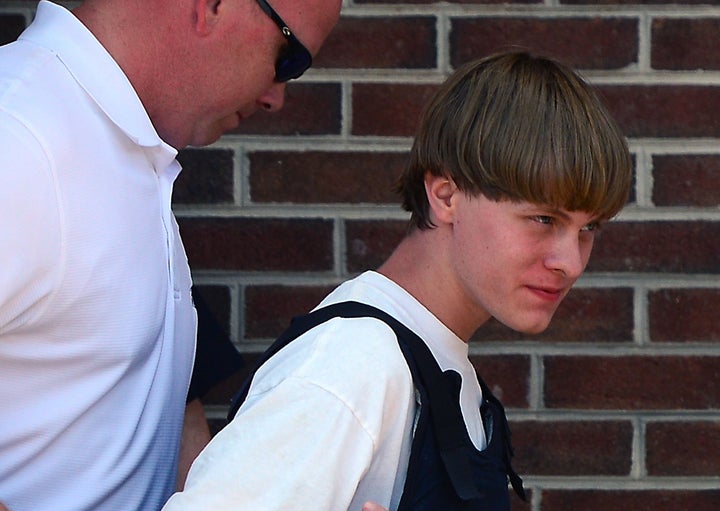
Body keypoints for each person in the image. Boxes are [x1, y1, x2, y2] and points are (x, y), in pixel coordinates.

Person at [160, 51, 633, 511]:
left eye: (588, 228)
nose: (570, 262)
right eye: (544, 219)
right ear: (446, 195)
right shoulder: (351, 368)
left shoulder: (430, 357)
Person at [0, 0, 340, 510]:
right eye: (287, 56)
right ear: (214, 6)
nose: (277, 97)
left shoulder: (119, 149)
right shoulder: (20, 138)